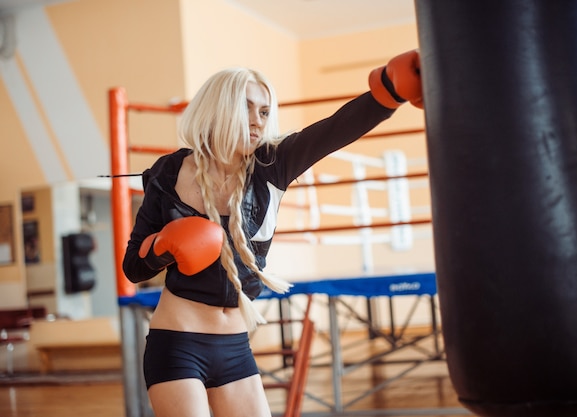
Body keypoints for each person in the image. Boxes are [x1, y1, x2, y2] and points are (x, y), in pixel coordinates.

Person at [122, 49, 423, 417]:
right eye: (245, 108)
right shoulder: (168, 172)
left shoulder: (272, 166)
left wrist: (390, 90)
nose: (257, 121)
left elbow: (334, 130)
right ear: (217, 109)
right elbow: (133, 267)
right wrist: (164, 245)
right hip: (177, 343)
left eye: (264, 112)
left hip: (235, 349)